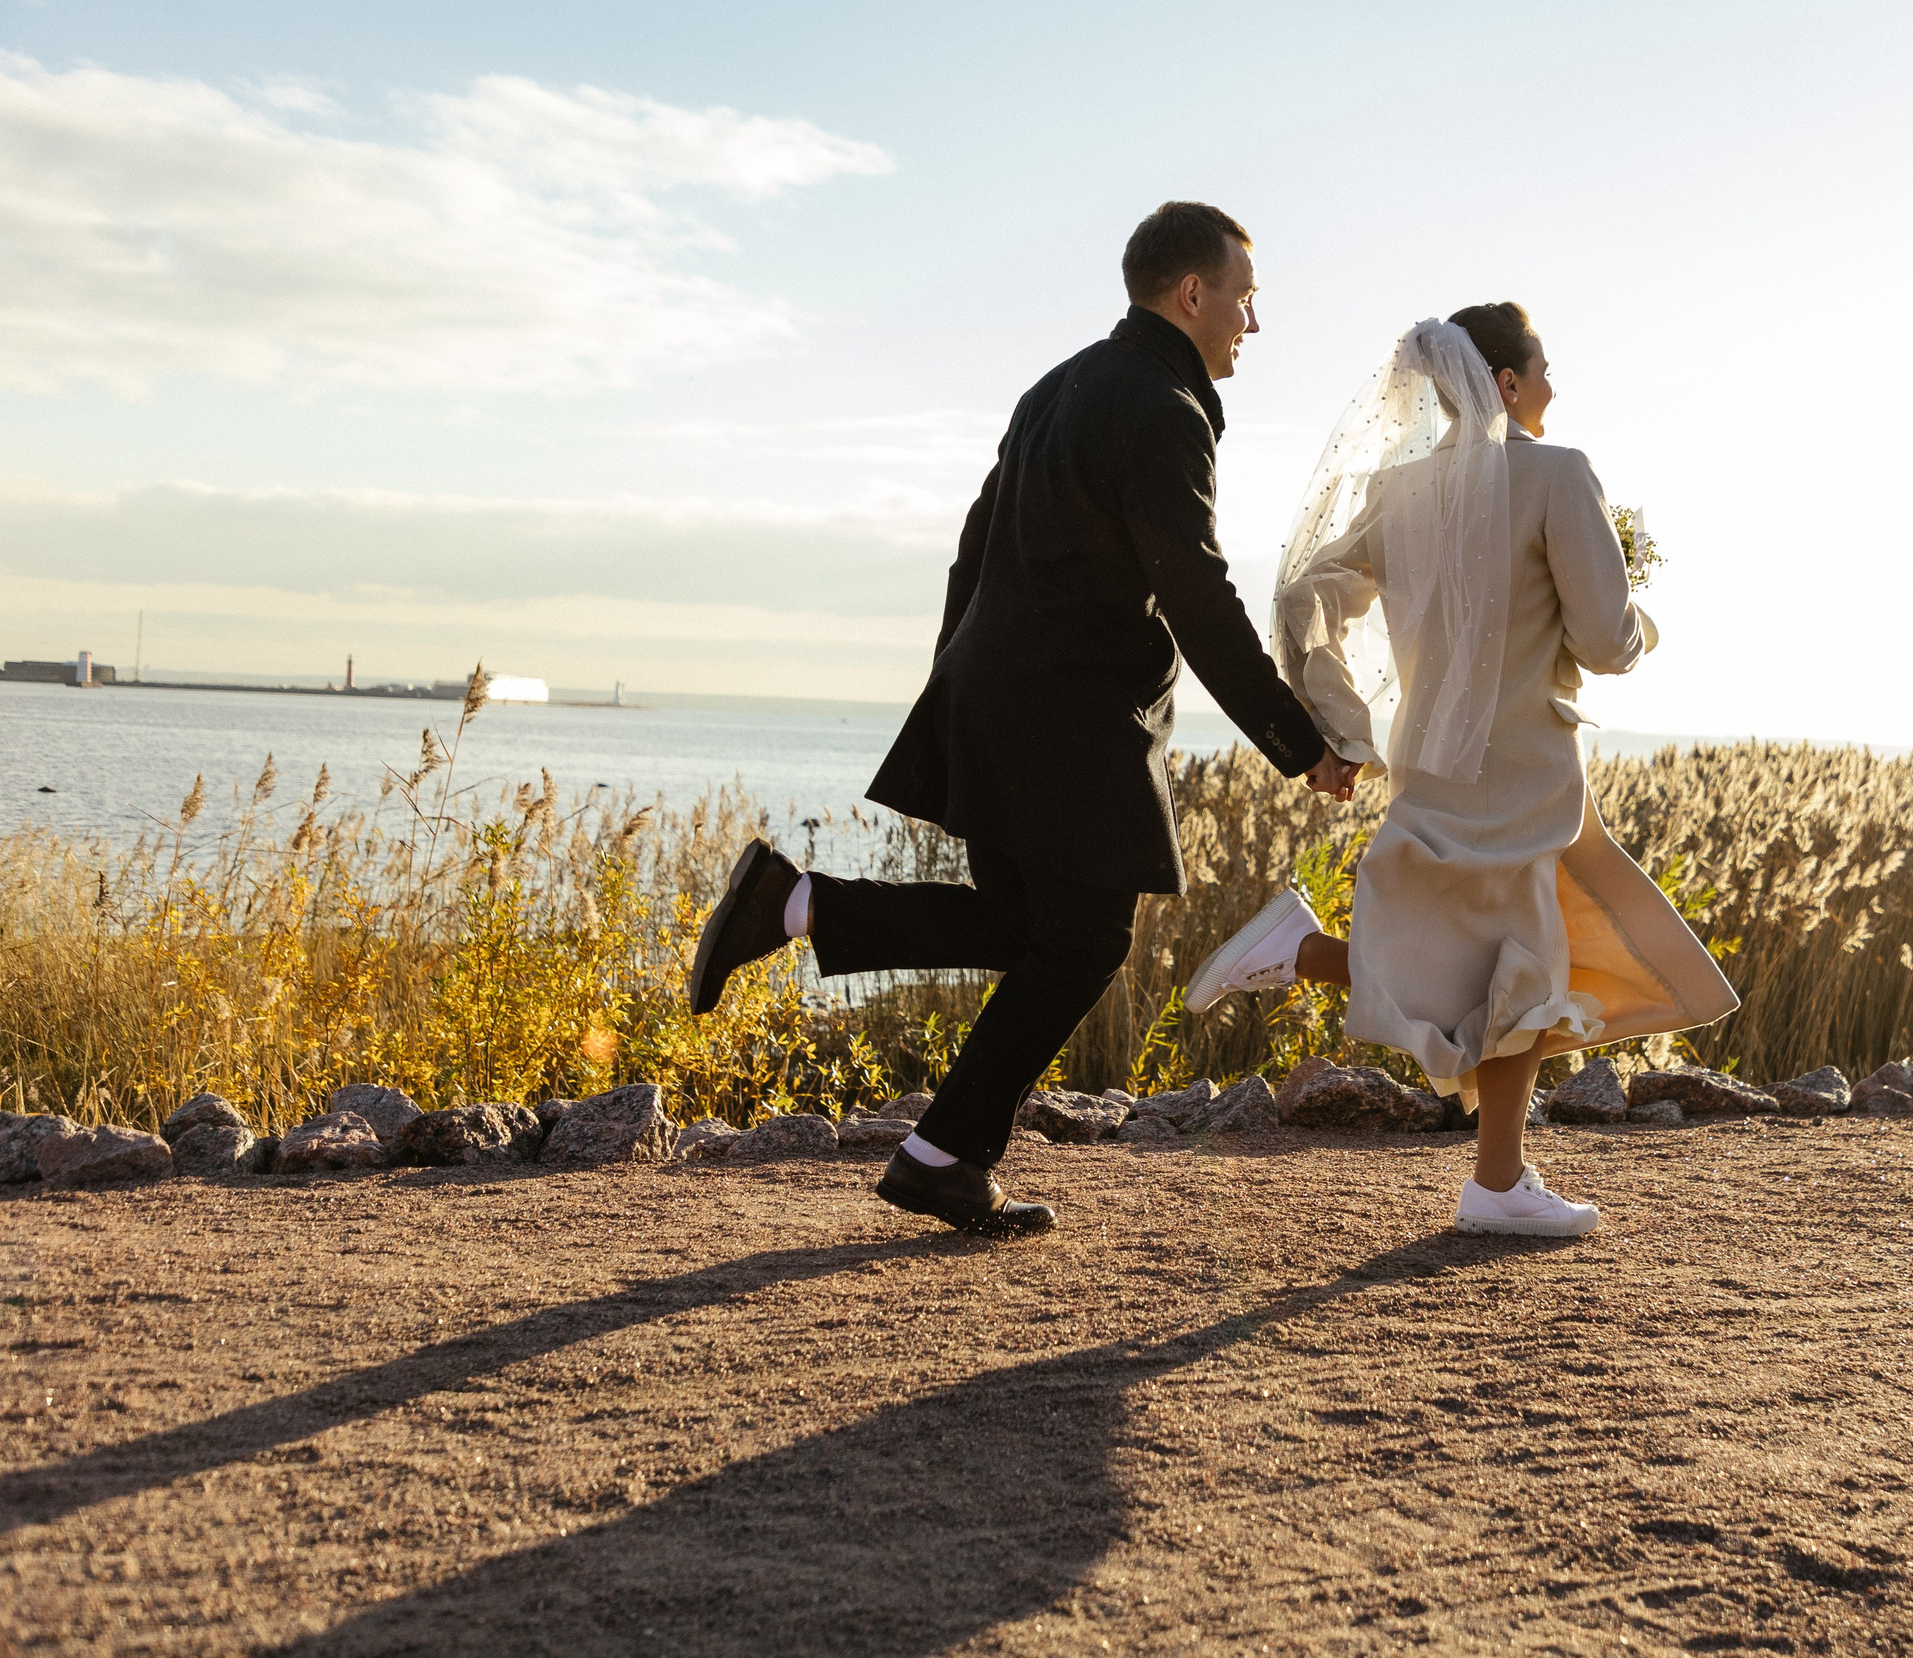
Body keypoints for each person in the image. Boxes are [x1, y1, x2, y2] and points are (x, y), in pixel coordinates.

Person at [688, 202, 1359, 1236]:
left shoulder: (1062, 385)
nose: (1251, 324)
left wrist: (957, 689)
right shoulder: (1160, 406)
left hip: (997, 698)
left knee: (1026, 929)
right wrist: (1296, 739)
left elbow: (973, 547)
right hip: (1066, 717)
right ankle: (935, 1134)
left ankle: (830, 968)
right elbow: (1194, 587)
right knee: (1086, 938)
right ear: (1193, 294)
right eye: (1244, 299)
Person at [1184, 304, 1738, 1236]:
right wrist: (1643, 623)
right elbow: (1605, 642)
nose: (1556, 388)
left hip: (1432, 759)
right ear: (1508, 385)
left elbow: (1306, 594)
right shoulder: (1560, 473)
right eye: (1544, 369)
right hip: (1522, 765)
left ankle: (1489, 1167)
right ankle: (1491, 1180)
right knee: (1516, 966)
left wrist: (1345, 726)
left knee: (1494, 967)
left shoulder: (1402, 492)